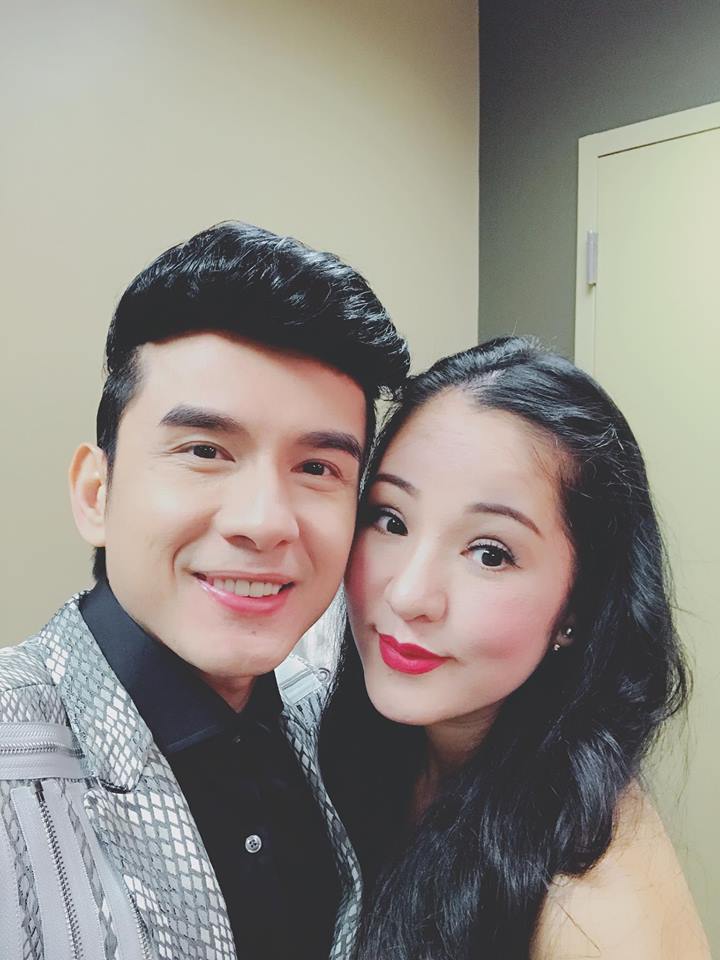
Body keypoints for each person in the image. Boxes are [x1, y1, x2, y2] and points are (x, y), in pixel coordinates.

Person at [0, 221, 409, 960]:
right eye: (205, 451)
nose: (265, 522)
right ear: (97, 493)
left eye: (318, 468)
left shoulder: (346, 726)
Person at [320, 336, 710, 959]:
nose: (409, 594)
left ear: (578, 608)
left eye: (490, 553)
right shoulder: (363, 743)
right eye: (392, 520)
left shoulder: (592, 913)